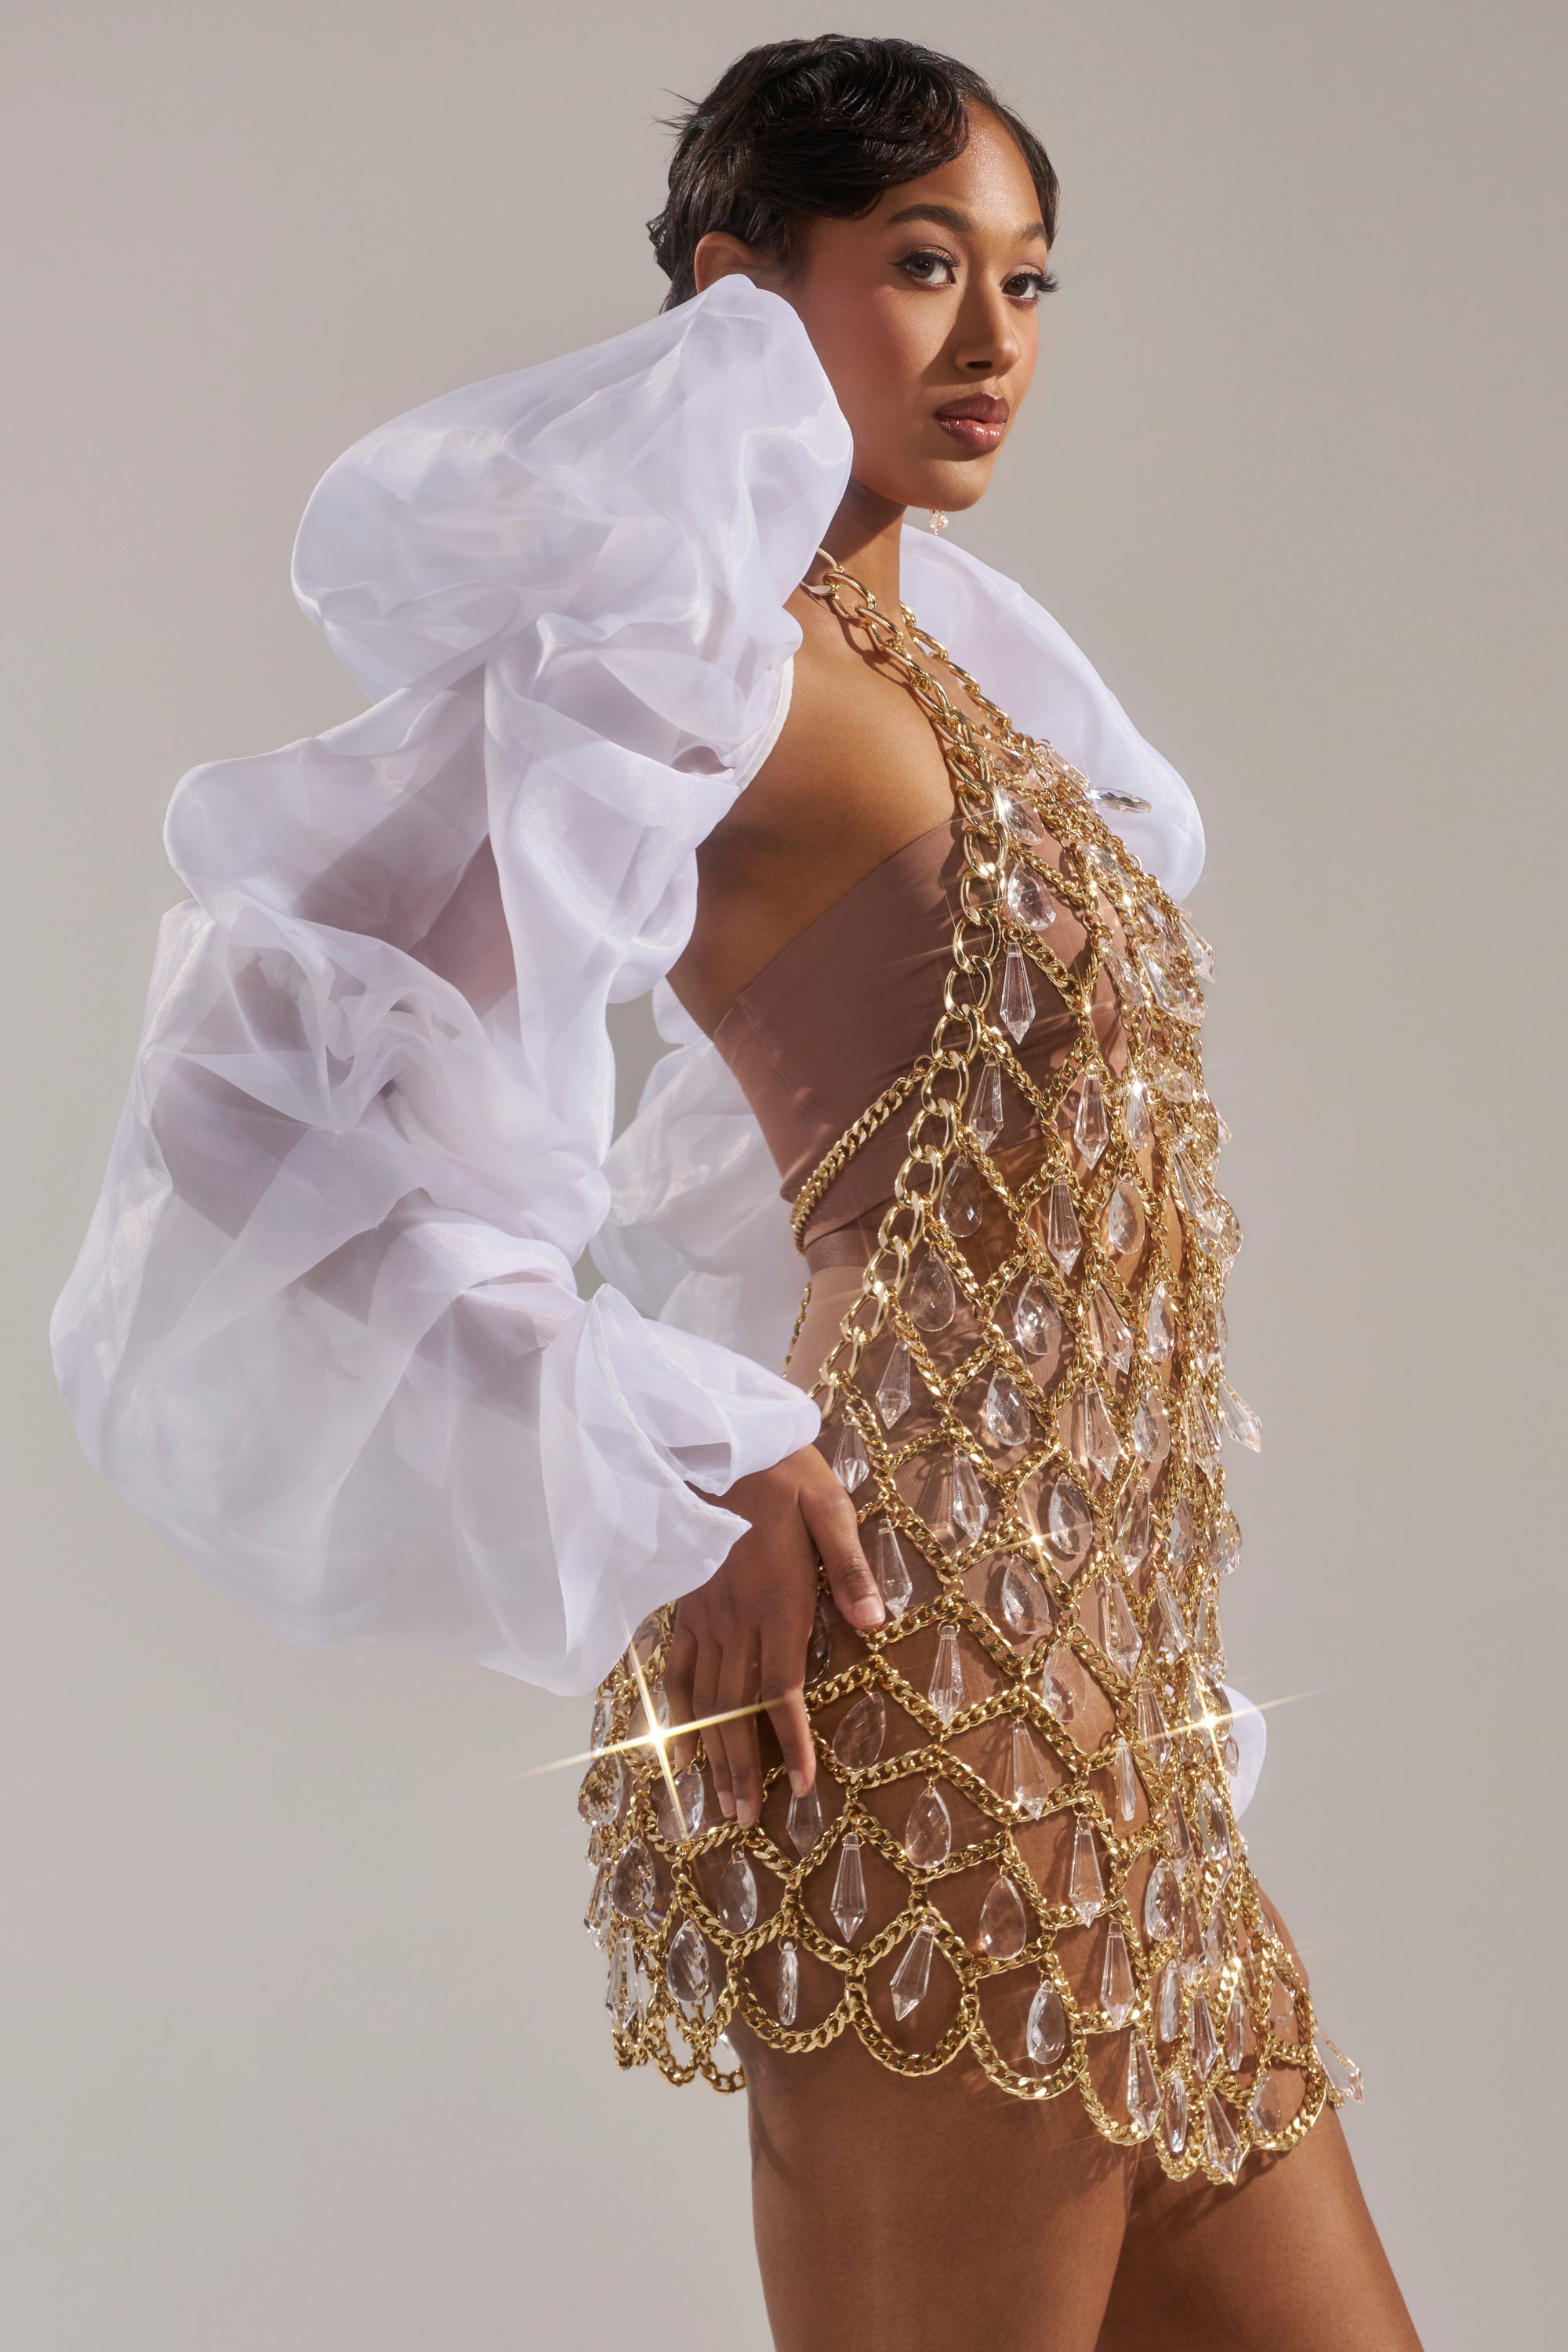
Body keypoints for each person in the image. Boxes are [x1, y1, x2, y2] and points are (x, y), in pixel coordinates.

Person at [53, 34, 1421, 2352]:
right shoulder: (711, 675)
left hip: (1116, 1724)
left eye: (1027, 277)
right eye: (918, 266)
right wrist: (685, 1443)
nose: (995, 337)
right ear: (737, 295)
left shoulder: (978, 695)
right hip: (922, 1711)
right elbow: (258, 1085)